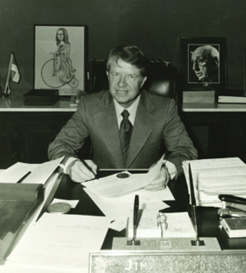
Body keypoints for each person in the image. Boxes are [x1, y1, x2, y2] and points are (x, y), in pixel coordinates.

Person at [48, 45, 197, 190]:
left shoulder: (164, 108)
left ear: (143, 81)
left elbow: (186, 151)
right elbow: (59, 145)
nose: (121, 83)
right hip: (101, 189)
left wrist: (166, 170)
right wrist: (71, 164)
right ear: (108, 75)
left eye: (131, 76)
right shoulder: (89, 106)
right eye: (116, 74)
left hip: (148, 190)